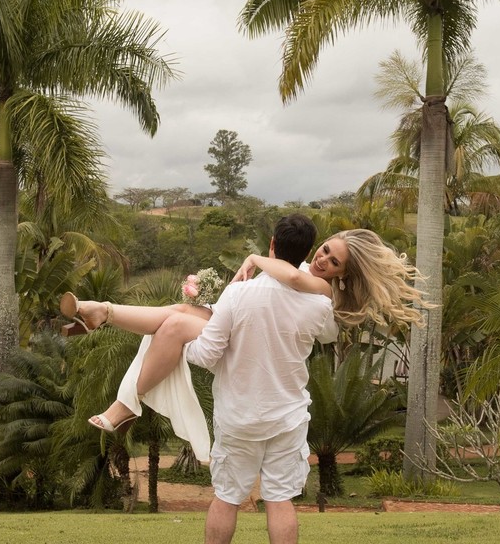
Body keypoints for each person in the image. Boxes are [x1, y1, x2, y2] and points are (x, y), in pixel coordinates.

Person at [59, 224, 429, 453]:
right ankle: (102, 312)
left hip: (252, 344)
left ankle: (126, 402)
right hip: (244, 327)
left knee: (172, 325)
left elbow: (295, 279)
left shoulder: (323, 290)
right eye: (326, 249)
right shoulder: (303, 268)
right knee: (177, 312)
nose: (323, 260)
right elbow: (284, 276)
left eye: (334, 263)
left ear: (343, 274)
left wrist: (254, 258)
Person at [186, 216, 337, 544]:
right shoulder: (320, 303)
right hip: (287, 417)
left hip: (238, 416)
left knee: (226, 497)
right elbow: (329, 333)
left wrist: (182, 340)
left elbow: (205, 355)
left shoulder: (238, 294)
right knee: (280, 499)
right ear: (306, 254)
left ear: (271, 244)